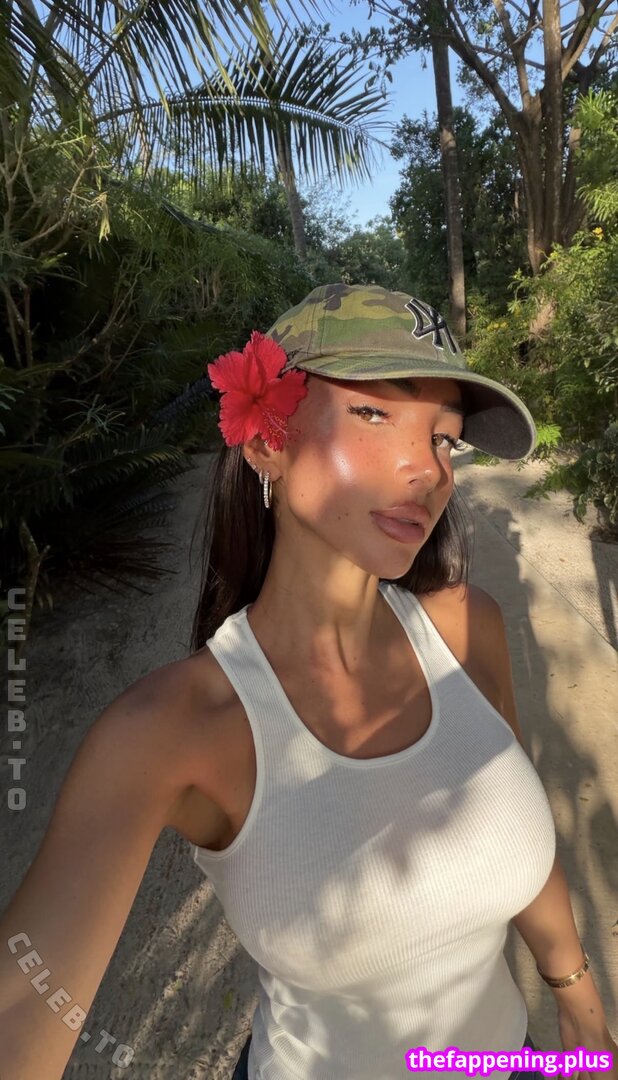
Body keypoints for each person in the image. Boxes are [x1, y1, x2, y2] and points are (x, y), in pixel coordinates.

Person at [0, 284, 615, 1080]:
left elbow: (511, 830)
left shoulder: (468, 629)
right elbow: (26, 1002)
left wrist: (577, 996)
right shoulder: (170, 731)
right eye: (373, 412)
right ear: (267, 442)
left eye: (445, 438)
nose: (426, 468)